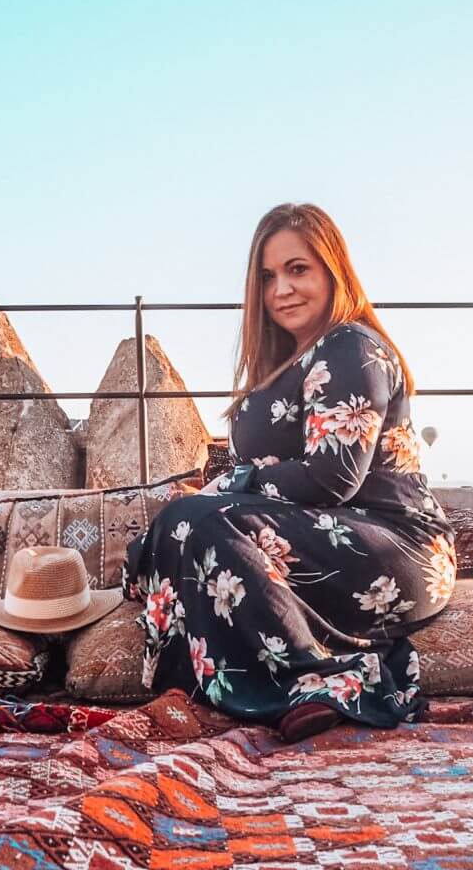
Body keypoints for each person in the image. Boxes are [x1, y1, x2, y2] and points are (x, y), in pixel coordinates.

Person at [122, 203, 456, 741]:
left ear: (332, 269)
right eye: (268, 277)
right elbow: (267, 483)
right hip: (319, 534)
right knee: (188, 520)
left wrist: (230, 488)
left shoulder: (352, 345)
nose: (282, 289)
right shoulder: (282, 362)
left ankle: (321, 682)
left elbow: (332, 478)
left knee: (201, 522)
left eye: (298, 269)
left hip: (394, 542)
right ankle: (219, 681)